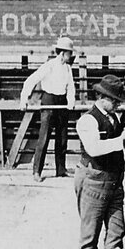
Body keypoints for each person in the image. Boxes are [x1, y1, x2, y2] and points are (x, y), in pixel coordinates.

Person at [73, 74, 125, 249]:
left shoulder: (114, 118)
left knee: (117, 233)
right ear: (102, 98)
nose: (118, 105)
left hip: (115, 181)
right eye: (115, 101)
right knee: (89, 238)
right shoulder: (87, 121)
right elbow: (94, 149)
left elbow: (118, 151)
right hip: (94, 181)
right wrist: (121, 140)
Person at [20, 36, 76, 181]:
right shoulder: (49, 65)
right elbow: (31, 80)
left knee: (62, 139)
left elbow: (71, 88)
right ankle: (37, 172)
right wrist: (24, 99)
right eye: (69, 53)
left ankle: (61, 170)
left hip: (62, 103)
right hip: (49, 101)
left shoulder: (68, 69)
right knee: (44, 138)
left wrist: (71, 101)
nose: (71, 56)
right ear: (62, 53)